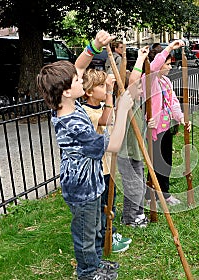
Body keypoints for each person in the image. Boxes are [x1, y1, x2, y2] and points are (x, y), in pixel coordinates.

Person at [36, 30, 133, 280]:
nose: (82, 80)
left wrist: (94, 46)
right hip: (80, 187)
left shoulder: (69, 103)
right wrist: (122, 110)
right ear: (67, 91)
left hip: (91, 181)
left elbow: (78, 66)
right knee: (85, 232)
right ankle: (88, 272)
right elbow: (114, 144)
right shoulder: (73, 125)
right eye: (77, 82)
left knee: (97, 226)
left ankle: (97, 263)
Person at [81, 69, 132, 252]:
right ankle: (103, 238)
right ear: (89, 92)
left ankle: (111, 232)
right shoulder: (88, 112)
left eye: (104, 85)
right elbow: (106, 119)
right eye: (100, 86)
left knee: (110, 202)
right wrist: (110, 92)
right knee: (103, 205)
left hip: (107, 166)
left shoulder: (100, 107)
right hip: (98, 170)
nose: (105, 88)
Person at [143, 40, 191, 206]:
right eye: (168, 64)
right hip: (154, 130)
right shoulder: (149, 79)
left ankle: (164, 193)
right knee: (155, 164)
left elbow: (174, 102)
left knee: (167, 162)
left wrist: (181, 118)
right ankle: (151, 196)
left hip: (167, 128)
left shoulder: (166, 82)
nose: (170, 67)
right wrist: (169, 48)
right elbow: (154, 66)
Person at [116, 46, 151, 227]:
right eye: (139, 86)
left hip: (136, 153)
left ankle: (138, 213)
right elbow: (133, 80)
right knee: (133, 188)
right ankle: (129, 219)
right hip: (127, 155)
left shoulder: (137, 103)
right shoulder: (126, 101)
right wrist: (140, 59)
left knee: (140, 186)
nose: (141, 89)